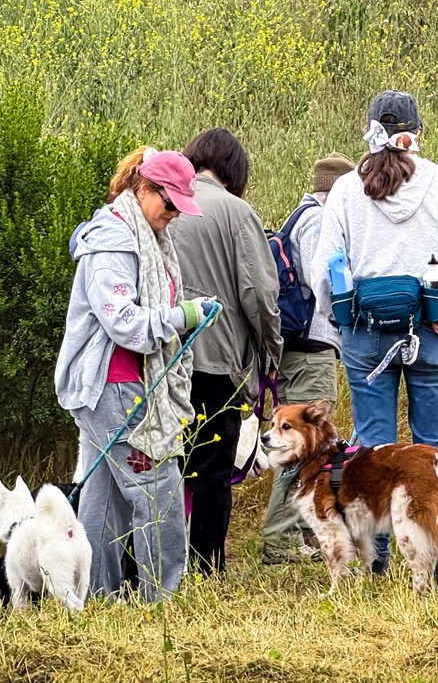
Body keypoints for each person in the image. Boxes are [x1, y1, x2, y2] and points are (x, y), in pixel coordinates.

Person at [311, 91, 438, 572]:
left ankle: (378, 560)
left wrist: (334, 317)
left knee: (371, 448)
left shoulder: (347, 188)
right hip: (433, 325)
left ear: (368, 131)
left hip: (367, 332)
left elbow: (325, 261)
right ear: (417, 133)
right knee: (436, 444)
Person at [55, 146, 217, 601]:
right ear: (144, 189)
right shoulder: (114, 240)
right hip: (114, 384)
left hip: (125, 382)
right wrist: (182, 315)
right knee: (158, 488)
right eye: (169, 204)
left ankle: (94, 596)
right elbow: (124, 322)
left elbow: (148, 306)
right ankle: (162, 601)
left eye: (180, 209)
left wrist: (187, 309)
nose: (173, 216)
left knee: (102, 499)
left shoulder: (148, 238)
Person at [167, 128, 282, 576]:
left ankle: (155, 569)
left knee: (163, 466)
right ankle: (206, 569)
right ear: (235, 171)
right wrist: (271, 355)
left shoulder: (161, 204)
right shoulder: (238, 212)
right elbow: (259, 294)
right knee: (211, 473)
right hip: (217, 362)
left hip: (162, 359)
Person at [260, 152, 354, 565]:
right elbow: (326, 285)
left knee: (307, 446)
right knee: (301, 447)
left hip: (298, 347)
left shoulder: (300, 216)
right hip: (311, 345)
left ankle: (300, 532)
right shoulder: (318, 221)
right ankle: (280, 540)